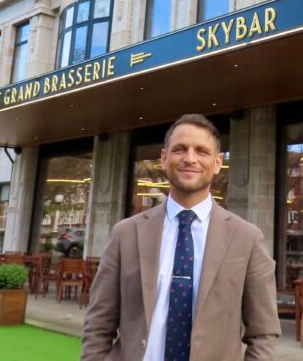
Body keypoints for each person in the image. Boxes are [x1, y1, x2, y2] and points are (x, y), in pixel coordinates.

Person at [81, 114, 280, 360]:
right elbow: (98, 324)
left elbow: (263, 333)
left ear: (218, 163)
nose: (190, 158)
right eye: (180, 149)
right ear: (164, 158)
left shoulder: (247, 239)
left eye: (201, 151)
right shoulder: (125, 234)